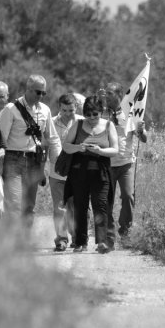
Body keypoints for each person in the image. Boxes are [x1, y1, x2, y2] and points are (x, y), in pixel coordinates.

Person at [0, 75, 61, 228]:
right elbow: (0, 141)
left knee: (29, 205)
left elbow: (52, 138)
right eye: (38, 92)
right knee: (14, 203)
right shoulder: (10, 109)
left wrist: (57, 161)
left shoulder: (45, 110)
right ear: (28, 89)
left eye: (43, 93)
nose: (40, 96)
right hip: (13, 159)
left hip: (34, 161)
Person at [63, 95, 118, 253]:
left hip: (101, 170)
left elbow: (115, 150)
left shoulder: (108, 125)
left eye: (95, 114)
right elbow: (66, 146)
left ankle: (102, 242)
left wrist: (100, 151)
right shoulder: (78, 125)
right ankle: (81, 242)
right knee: (80, 206)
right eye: (88, 114)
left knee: (101, 205)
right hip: (79, 171)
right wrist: (78, 147)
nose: (92, 118)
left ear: (101, 112)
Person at [104, 82, 148, 242]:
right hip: (107, 164)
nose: (106, 96)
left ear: (119, 95)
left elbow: (143, 139)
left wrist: (141, 131)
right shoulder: (101, 114)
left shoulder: (131, 114)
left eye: (109, 93)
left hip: (126, 164)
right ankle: (109, 234)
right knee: (106, 199)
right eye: (106, 93)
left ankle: (125, 231)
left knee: (128, 196)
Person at [49, 93, 84, 251]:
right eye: (65, 110)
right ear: (59, 108)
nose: (68, 114)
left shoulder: (82, 123)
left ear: (76, 107)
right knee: (59, 207)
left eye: (71, 110)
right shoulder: (51, 123)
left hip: (77, 172)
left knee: (75, 207)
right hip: (56, 173)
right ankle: (61, 239)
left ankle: (77, 238)